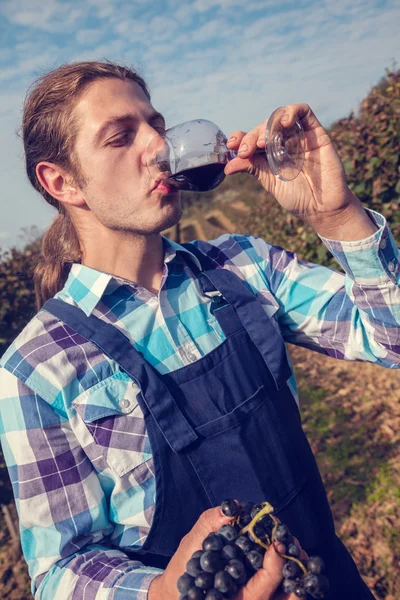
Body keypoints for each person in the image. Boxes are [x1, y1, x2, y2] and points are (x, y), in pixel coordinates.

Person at [0, 61, 398, 600]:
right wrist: (163, 591)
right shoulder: (37, 366)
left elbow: (389, 336)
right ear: (62, 182)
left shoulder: (242, 265)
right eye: (121, 137)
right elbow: (61, 567)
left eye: (155, 124)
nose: (158, 147)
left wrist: (337, 214)